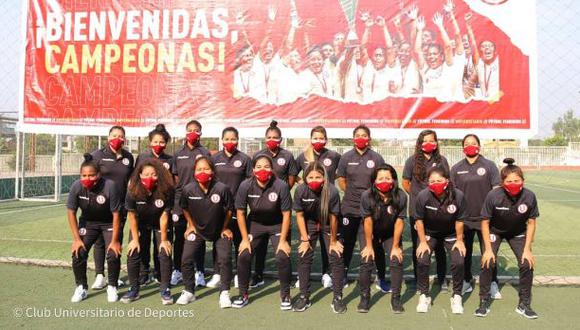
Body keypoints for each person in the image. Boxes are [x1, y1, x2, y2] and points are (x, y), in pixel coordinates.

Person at [475, 158, 539, 319]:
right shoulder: (493, 195)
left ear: (523, 181)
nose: (513, 183)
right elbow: (484, 222)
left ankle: (524, 303)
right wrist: (488, 249)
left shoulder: (530, 196)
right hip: (494, 232)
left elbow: (531, 223)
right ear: (502, 182)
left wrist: (527, 249)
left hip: (517, 232)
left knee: (526, 263)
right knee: (487, 261)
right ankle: (483, 300)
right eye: (509, 181)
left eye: (517, 180)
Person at [232, 155, 292, 309]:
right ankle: (243, 294)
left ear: (272, 169)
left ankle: (285, 295)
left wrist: (283, 240)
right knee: (244, 255)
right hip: (255, 224)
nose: (262, 170)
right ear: (253, 170)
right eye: (258, 166)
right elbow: (240, 212)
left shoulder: (281, 186)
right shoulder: (245, 185)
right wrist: (245, 239)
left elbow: (286, 214)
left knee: (282, 256)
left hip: (277, 224)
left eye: (266, 166)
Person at [176, 157, 235, 308]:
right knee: (186, 258)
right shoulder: (188, 189)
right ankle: (189, 291)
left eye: (206, 169)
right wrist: (190, 225)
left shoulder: (222, 189)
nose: (203, 172)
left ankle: (224, 293)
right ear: (194, 172)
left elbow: (229, 210)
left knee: (225, 259)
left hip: (219, 231)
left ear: (213, 171)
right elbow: (184, 207)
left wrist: (225, 227)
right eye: (199, 169)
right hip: (198, 231)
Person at [450, 134, 501, 297]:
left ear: (479, 145)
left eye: (473, 143)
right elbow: (452, 194)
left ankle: (493, 282)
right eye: (466, 144)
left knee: (489, 251)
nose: (470, 146)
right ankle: (466, 280)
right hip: (464, 219)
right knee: (465, 252)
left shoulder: (489, 165)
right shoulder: (456, 168)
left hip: (486, 219)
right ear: (462, 147)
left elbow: (496, 190)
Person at [336, 125, 386, 289]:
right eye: (358, 135)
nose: (361, 138)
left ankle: (380, 277)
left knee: (374, 244)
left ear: (369, 139)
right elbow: (341, 180)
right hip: (349, 208)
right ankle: (342, 275)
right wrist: (352, 194)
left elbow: (381, 180)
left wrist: (369, 199)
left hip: (371, 210)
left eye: (364, 135)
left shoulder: (377, 158)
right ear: (353, 138)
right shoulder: (346, 157)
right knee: (347, 243)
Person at [67, 154, 122, 303]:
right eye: (84, 175)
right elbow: (71, 212)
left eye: (92, 175)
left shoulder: (110, 186)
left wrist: (115, 240)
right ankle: (81, 288)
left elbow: (116, 214)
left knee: (112, 253)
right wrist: (77, 240)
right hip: (88, 223)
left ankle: (112, 286)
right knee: (78, 252)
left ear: (99, 174)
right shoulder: (76, 186)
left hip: (109, 223)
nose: (87, 178)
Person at [292, 162, 346, 313]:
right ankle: (304, 296)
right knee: (304, 255)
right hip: (309, 223)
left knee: (336, 256)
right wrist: (304, 239)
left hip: (329, 223)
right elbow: (300, 215)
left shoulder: (333, 192)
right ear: (305, 178)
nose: (314, 180)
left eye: (318, 177)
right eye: (310, 177)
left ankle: (337, 297)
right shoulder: (300, 190)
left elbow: (334, 217)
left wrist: (333, 241)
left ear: (324, 178)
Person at [251, 120, 298, 288]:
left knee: (284, 243)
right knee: (260, 244)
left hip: (281, 207)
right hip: (261, 207)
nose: (272, 140)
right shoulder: (258, 156)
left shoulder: (287, 156)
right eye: (269, 137)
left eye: (275, 137)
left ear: (281, 139)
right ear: (265, 139)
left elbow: (291, 178)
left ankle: (288, 276)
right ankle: (258, 274)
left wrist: (280, 193)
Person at [414, 166, 467, 314]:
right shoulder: (423, 196)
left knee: (458, 260)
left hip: (451, 234)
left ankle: (457, 295)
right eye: (432, 181)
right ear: (427, 182)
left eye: (439, 180)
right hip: (430, 233)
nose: (435, 183)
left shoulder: (458, 195)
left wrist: (460, 240)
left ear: (447, 181)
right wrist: (423, 242)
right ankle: (424, 295)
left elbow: (460, 220)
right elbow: (419, 220)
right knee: (422, 259)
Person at [121, 159, 174, 305]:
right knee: (133, 251)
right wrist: (135, 239)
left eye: (153, 174)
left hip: (160, 224)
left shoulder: (167, 190)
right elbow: (131, 215)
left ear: (160, 176)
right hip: (140, 224)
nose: (149, 177)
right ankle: (134, 289)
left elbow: (164, 215)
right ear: (139, 175)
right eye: (146, 174)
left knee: (164, 252)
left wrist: (164, 239)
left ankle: (165, 289)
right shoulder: (132, 190)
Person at [402, 129, 449, 291]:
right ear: (420, 143)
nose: (429, 144)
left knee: (439, 247)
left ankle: (442, 279)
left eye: (432, 140)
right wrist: (420, 198)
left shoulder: (442, 160)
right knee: (419, 246)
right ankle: (418, 279)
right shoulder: (412, 161)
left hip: (439, 211)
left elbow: (447, 182)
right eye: (425, 141)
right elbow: (405, 183)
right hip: (418, 211)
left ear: (436, 143)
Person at [295, 126, 341, 289]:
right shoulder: (303, 156)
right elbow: (293, 174)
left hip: (328, 206)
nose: (318, 141)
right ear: (310, 139)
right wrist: (304, 184)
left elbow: (341, 174)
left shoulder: (334, 156)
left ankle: (326, 273)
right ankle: (303, 277)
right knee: (308, 244)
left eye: (321, 138)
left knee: (327, 243)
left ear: (326, 139)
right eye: (315, 138)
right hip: (310, 208)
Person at [357, 164, 407, 313]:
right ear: (374, 181)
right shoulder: (367, 196)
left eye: (387, 178)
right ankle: (365, 297)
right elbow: (367, 221)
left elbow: (399, 221)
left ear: (393, 180)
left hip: (390, 233)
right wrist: (369, 245)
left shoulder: (401, 196)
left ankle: (396, 298)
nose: (384, 181)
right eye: (380, 178)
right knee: (367, 260)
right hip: (369, 232)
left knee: (396, 259)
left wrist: (396, 246)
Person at [208, 127, 253, 289]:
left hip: (238, 207)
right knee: (219, 241)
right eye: (227, 139)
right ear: (222, 140)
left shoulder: (245, 159)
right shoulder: (214, 159)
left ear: (238, 139)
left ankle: (238, 274)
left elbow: (250, 183)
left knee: (239, 241)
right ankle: (217, 273)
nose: (230, 142)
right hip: (218, 207)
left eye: (233, 139)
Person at [90, 125, 134, 289]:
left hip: (119, 206)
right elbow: (89, 177)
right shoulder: (97, 156)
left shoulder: (128, 157)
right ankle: (100, 275)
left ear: (124, 139)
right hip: (100, 205)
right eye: (114, 135)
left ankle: (112, 276)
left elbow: (129, 181)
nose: (117, 138)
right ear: (108, 137)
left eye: (121, 136)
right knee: (99, 241)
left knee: (115, 240)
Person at [171, 120, 211, 287]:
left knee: (199, 238)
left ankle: (200, 271)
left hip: (199, 200)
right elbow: (175, 178)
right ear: (185, 132)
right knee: (179, 237)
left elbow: (209, 175)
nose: (193, 132)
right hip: (181, 200)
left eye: (196, 130)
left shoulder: (205, 152)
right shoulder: (178, 153)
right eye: (190, 130)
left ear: (201, 133)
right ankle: (178, 270)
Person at [133, 124, 173, 285]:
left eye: (162, 142)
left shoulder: (170, 160)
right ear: (150, 142)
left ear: (166, 143)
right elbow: (135, 180)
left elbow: (173, 181)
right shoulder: (142, 158)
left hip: (162, 205)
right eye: (155, 141)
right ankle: (144, 272)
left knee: (160, 242)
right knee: (143, 242)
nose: (158, 144)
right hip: (143, 206)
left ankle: (159, 272)